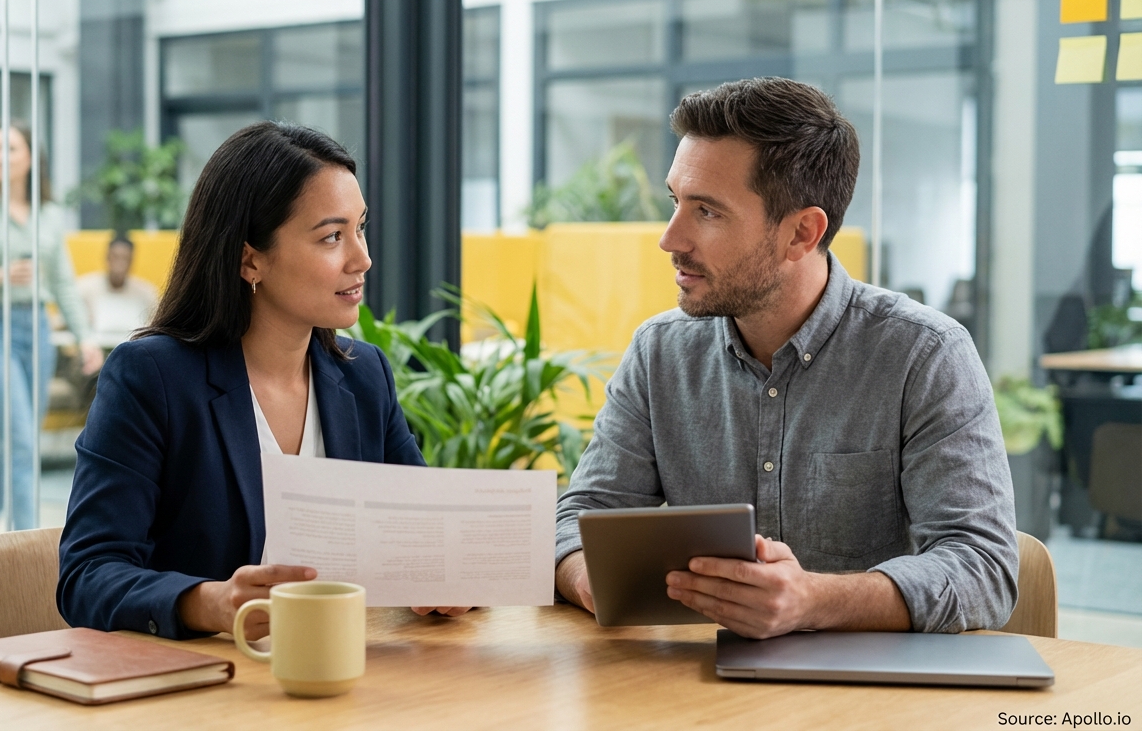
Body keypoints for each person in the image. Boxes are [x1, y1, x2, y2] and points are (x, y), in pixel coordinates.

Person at [554, 77, 1018, 638]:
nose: (670, 238)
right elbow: (578, 523)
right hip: (697, 690)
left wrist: (812, 600)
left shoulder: (924, 354)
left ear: (803, 232)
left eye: (706, 212)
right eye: (676, 201)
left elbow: (983, 568)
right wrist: (591, 580)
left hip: (873, 702)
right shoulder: (660, 353)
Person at [58, 122, 468, 642]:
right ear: (250, 258)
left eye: (360, 228)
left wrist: (450, 575)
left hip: (343, 678)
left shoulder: (364, 377)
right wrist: (208, 603)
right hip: (208, 694)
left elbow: (426, 536)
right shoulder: (151, 378)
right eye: (332, 237)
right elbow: (87, 574)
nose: (362, 259)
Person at [0, 121, 104, 534]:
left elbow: (64, 284)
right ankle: (23, 544)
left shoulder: (50, 215)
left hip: (36, 330)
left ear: (30, 158)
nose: (0, 157)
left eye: (10, 148)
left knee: (18, 440)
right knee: (20, 439)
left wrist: (84, 336)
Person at [76, 235, 158, 350]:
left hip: (134, 351)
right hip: (94, 350)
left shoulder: (146, 292)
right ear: (107, 258)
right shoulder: (84, 288)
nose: (119, 264)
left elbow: (156, 326)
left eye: (125, 258)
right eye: (115, 257)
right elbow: (64, 321)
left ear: (131, 261)